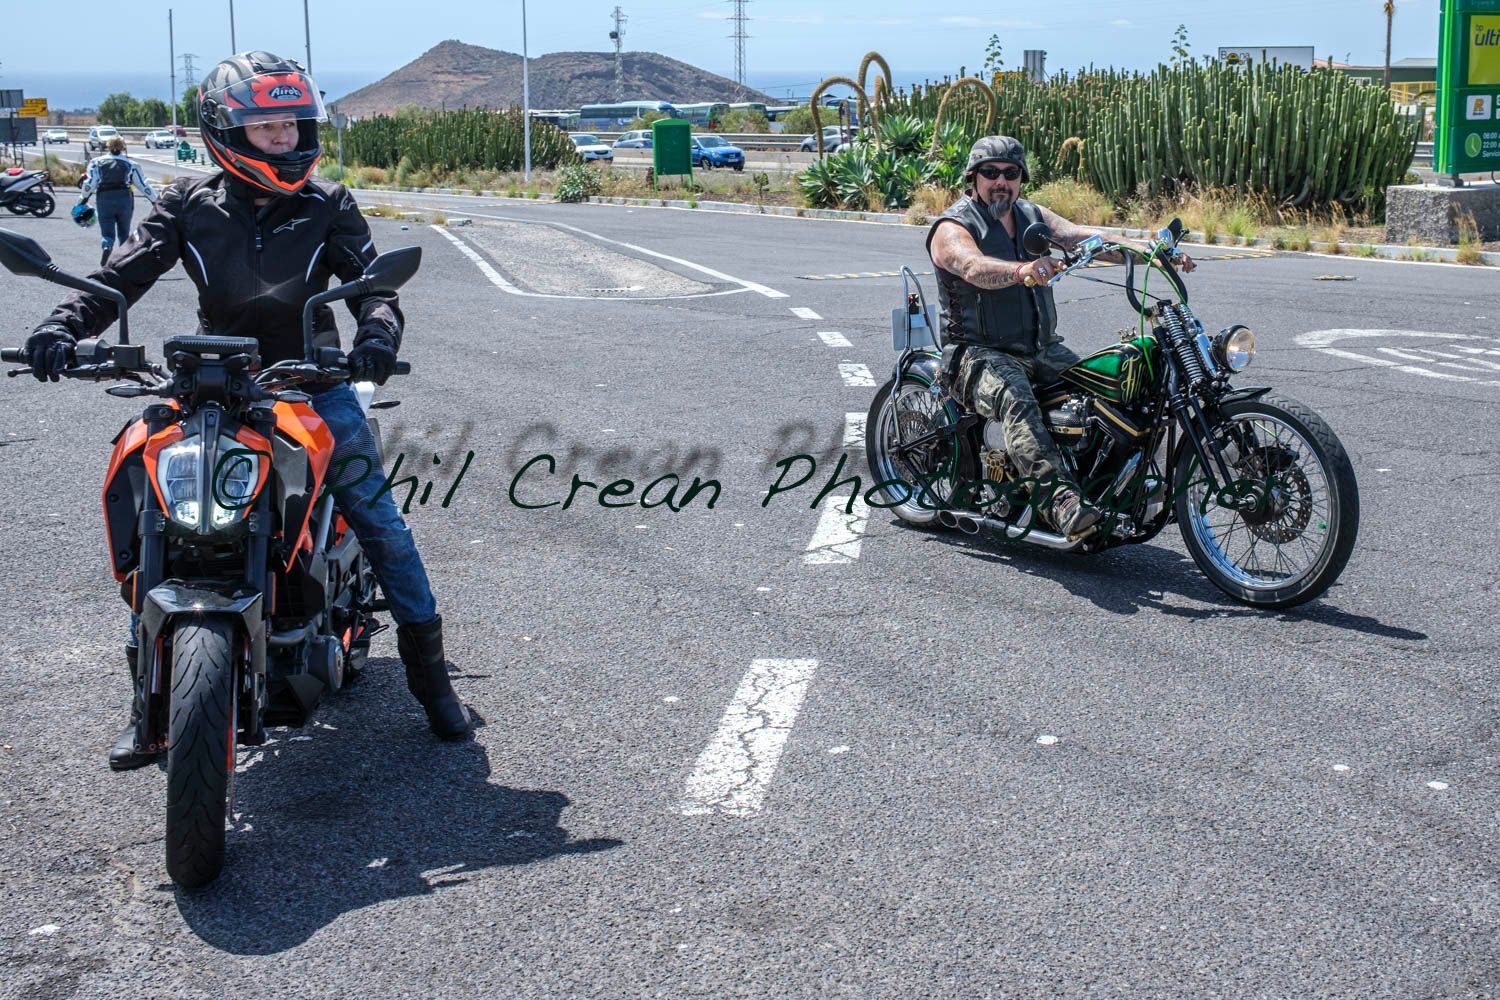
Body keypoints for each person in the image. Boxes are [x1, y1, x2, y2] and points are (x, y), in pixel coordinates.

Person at [24, 52, 473, 769]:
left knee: (378, 518)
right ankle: (146, 697)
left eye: (292, 125)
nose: (284, 139)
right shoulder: (186, 203)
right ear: (227, 133)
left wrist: (375, 340)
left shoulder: (329, 203)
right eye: (267, 128)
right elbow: (120, 277)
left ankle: (433, 682)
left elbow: (374, 289)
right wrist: (62, 325)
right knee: (145, 494)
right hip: (211, 381)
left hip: (312, 383)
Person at [926, 136, 1195, 536]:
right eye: (990, 172)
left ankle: (1111, 482)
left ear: (1021, 178)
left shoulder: (1030, 213)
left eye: (1011, 173)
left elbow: (1083, 238)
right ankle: (1059, 501)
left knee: (1110, 386)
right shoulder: (953, 226)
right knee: (1016, 398)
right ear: (973, 177)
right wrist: (1021, 270)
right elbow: (971, 266)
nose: (1001, 181)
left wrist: (1151, 251)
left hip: (1041, 348)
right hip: (977, 353)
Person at [79, 135, 157, 268]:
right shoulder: (131, 164)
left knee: (107, 231)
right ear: (123, 147)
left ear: (108, 146)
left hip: (104, 198)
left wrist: (83, 199)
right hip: (124, 199)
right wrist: (155, 201)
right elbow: (143, 185)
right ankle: (124, 259)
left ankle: (107, 246)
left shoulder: (96, 163)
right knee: (124, 231)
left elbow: (90, 183)